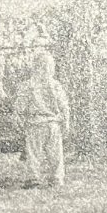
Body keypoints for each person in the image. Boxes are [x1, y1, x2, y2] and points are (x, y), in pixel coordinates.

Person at [13, 50, 71, 187]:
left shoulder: (28, 86)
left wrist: (18, 119)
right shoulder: (56, 85)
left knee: (34, 153)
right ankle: (56, 178)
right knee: (55, 153)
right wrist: (66, 122)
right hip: (53, 123)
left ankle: (34, 177)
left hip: (36, 124)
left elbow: (20, 106)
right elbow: (64, 106)